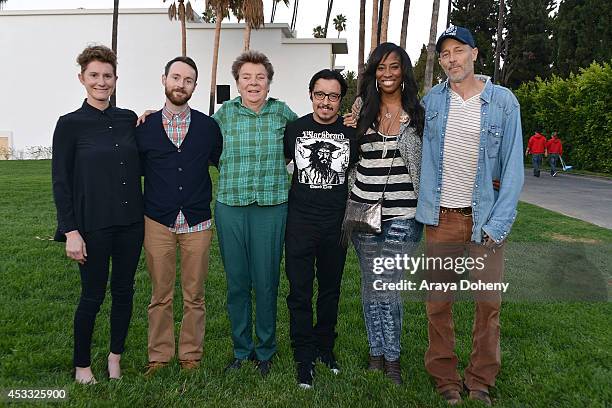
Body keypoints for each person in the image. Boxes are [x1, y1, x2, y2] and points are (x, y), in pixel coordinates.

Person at [416, 25, 524, 405]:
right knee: (438, 304)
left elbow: (513, 169)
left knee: (488, 305)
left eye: (458, 50)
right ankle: (445, 377)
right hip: (441, 218)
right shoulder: (433, 102)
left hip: (485, 221)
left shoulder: (503, 102)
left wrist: (499, 223)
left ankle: (479, 379)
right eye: (444, 54)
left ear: (475, 53)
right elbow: (402, 132)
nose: (451, 59)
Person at [52, 45, 144, 384]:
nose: (101, 82)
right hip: (92, 226)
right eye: (94, 75)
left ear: (115, 79)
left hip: (131, 223)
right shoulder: (69, 125)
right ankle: (82, 366)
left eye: (107, 76)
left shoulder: (127, 119)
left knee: (124, 291)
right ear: (82, 78)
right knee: (92, 295)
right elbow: (61, 182)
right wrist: (70, 231)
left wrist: (150, 118)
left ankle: (115, 358)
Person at [135, 56, 223, 375]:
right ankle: (158, 356)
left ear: (195, 87)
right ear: (164, 80)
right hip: (157, 220)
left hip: (197, 222)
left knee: (194, 295)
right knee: (160, 294)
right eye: (176, 77)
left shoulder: (209, 128)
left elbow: (218, 161)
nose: (180, 84)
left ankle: (190, 355)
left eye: (188, 80)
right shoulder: (144, 128)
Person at [212, 51, 298, 376]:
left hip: (271, 207)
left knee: (266, 281)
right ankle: (241, 349)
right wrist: (154, 114)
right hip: (231, 206)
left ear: (268, 81)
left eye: (260, 77)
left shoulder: (281, 113)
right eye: (246, 77)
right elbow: (196, 136)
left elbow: (311, 132)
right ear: (237, 82)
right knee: (237, 283)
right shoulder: (224, 115)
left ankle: (265, 350)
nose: (253, 83)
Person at [345, 42, 425, 385]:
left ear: (403, 71)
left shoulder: (419, 113)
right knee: (370, 285)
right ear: (373, 74)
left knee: (387, 285)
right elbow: (352, 155)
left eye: (394, 67)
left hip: (402, 215)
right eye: (381, 67)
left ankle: (392, 357)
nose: (387, 73)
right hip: (362, 210)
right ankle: (375, 352)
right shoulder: (362, 109)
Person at [284, 69, 358, 388]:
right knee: (299, 292)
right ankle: (304, 355)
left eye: (333, 96)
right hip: (300, 222)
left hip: (336, 225)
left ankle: (325, 349)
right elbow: (289, 163)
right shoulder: (294, 129)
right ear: (311, 94)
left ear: (341, 100)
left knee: (330, 290)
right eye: (320, 94)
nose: (325, 102)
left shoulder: (352, 132)